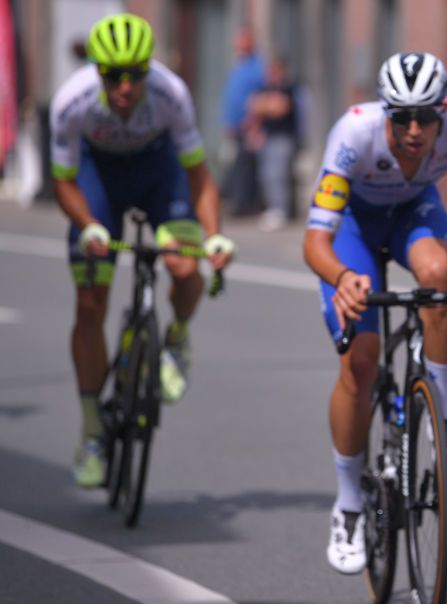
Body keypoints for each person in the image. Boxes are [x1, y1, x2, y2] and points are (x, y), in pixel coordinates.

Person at [303, 52, 447, 574]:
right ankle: (348, 504)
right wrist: (342, 278)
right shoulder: (353, 135)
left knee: (436, 277)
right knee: (360, 362)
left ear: (442, 110)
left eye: (425, 116)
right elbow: (315, 241)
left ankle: (442, 418)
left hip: (412, 212)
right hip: (353, 227)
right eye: (400, 116)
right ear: (385, 112)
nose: (413, 129)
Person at [51, 13, 235, 487]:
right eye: (115, 75)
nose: (126, 86)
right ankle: (93, 428)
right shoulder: (72, 104)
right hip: (99, 181)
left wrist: (211, 234)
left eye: (136, 73)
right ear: (98, 73)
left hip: (159, 173)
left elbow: (198, 175)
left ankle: (175, 336)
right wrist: (88, 225)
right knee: (90, 301)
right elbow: (64, 182)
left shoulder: (171, 95)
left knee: (183, 262)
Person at [247, 54, 299, 232]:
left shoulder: (288, 88)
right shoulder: (266, 87)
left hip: (283, 137)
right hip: (268, 137)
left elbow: (280, 108)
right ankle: (272, 209)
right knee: (267, 175)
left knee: (279, 175)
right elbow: (253, 105)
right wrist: (266, 105)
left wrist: (265, 105)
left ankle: (281, 211)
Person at [221, 26, 265, 216]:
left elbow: (260, 95)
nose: (237, 44)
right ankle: (238, 201)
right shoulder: (239, 64)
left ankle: (244, 204)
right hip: (236, 125)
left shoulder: (257, 66)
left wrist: (255, 121)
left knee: (245, 167)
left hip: (248, 125)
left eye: (241, 40)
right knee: (237, 164)